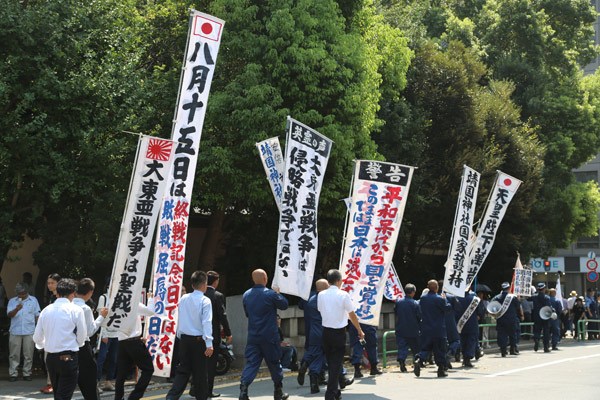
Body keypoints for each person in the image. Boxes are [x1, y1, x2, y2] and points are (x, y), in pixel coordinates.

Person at [239, 269, 289, 400]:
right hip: (269, 336)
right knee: (274, 363)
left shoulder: (246, 294)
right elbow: (284, 305)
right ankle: (278, 392)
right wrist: (278, 293)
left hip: (253, 335)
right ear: (265, 279)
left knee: (251, 363)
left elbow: (247, 314)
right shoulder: (271, 294)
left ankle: (243, 389)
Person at [33, 278, 87, 400]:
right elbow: (82, 336)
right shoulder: (76, 310)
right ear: (73, 293)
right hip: (68, 355)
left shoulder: (46, 310)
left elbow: (37, 337)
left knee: (58, 393)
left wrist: (44, 345)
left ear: (57, 292)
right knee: (64, 395)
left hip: (51, 357)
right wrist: (77, 344)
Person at [166, 271, 213, 400]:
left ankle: (171, 397)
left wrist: (180, 335)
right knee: (200, 374)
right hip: (198, 341)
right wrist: (209, 343)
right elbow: (207, 322)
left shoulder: (184, 298)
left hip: (184, 340)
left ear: (192, 284)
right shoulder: (205, 301)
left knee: (183, 371)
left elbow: (179, 317)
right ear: (204, 284)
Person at [318, 269, 364, 400]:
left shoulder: (321, 295)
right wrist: (359, 330)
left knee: (332, 361)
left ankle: (336, 392)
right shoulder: (343, 295)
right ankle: (330, 394)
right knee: (335, 363)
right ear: (339, 281)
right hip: (339, 332)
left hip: (326, 332)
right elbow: (352, 314)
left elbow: (320, 310)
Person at [114, 293, 156, 400]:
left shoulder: (116, 303)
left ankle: (118, 398)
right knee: (148, 369)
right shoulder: (133, 303)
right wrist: (150, 299)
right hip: (134, 341)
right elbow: (151, 312)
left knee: (121, 374)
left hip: (122, 341)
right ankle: (134, 397)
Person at [74, 278, 108, 400]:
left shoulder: (68, 305)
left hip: (67, 345)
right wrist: (101, 317)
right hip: (83, 345)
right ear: (91, 292)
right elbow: (90, 330)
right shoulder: (85, 308)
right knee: (88, 378)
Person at [298, 279, 329, 394]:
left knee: (314, 352)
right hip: (326, 330)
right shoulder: (326, 299)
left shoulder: (309, 298)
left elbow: (301, 306)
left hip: (311, 329)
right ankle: (339, 377)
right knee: (330, 355)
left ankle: (306, 364)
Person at [414, 279, 451, 378]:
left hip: (426, 328)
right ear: (437, 288)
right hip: (438, 328)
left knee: (426, 347)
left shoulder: (423, 298)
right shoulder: (439, 299)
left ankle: (419, 360)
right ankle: (441, 369)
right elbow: (447, 308)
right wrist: (445, 299)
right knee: (439, 349)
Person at [7, 282, 40, 381]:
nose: (21, 295)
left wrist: (40, 328)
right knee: (14, 354)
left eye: (23, 293)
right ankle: (13, 374)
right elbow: (9, 315)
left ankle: (27, 373)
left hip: (29, 331)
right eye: (19, 293)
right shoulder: (12, 301)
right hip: (15, 331)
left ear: (26, 292)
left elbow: (37, 315)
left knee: (28, 354)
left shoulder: (33, 300)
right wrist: (17, 309)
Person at [40, 272, 62, 395]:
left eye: (52, 283)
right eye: (48, 283)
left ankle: (53, 383)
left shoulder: (62, 297)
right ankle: (50, 382)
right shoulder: (51, 297)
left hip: (59, 334)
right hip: (49, 332)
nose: (50, 285)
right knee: (47, 358)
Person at [96, 284, 119, 392]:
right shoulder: (103, 297)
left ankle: (109, 381)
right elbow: (101, 316)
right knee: (101, 358)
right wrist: (103, 333)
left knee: (113, 359)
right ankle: (96, 382)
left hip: (116, 333)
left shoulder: (119, 298)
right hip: (106, 333)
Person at [394, 283, 421, 373]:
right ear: (413, 292)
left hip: (401, 328)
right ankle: (416, 362)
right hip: (413, 329)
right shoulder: (415, 303)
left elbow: (396, 312)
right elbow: (419, 316)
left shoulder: (398, 302)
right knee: (416, 348)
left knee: (402, 346)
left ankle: (402, 361)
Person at [492, 282, 522, 357]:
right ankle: (512, 350)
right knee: (513, 334)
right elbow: (518, 307)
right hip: (512, 319)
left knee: (502, 335)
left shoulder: (497, 297)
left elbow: (493, 307)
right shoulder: (513, 297)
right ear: (509, 288)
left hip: (501, 319)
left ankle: (503, 351)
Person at [456, 288, 480, 368]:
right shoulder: (474, 299)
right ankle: (467, 359)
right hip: (472, 324)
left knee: (462, 340)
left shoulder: (456, 298)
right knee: (471, 341)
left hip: (460, 324)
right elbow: (480, 312)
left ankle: (463, 356)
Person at [532, 282, 552, 352]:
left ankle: (537, 340)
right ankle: (546, 347)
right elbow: (549, 307)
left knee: (537, 330)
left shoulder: (534, 296)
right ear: (544, 289)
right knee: (546, 332)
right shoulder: (547, 297)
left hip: (537, 316)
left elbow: (528, 299)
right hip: (545, 316)